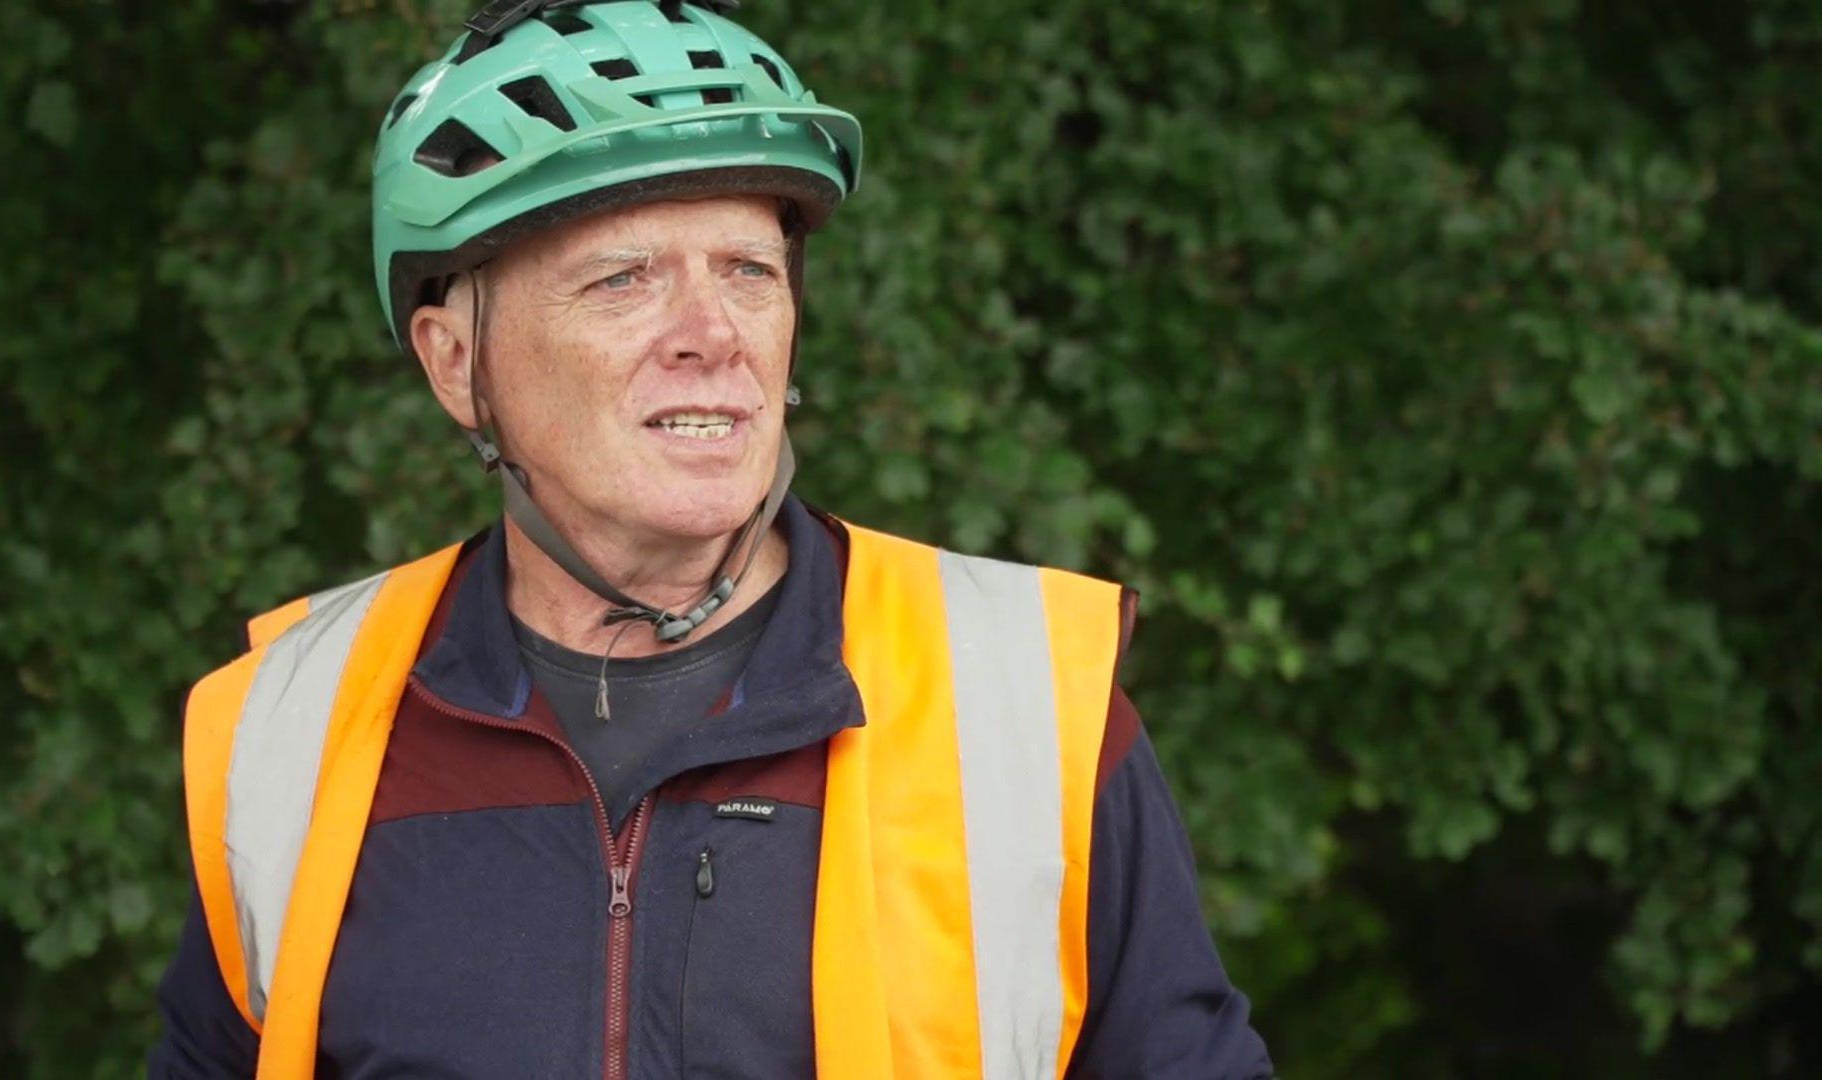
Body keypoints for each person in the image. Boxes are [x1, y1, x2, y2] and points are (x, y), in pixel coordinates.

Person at [149, 1, 1273, 1076]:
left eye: (748, 270)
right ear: (457, 363)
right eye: (623, 277)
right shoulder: (288, 728)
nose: (713, 335)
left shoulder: (1025, 700)